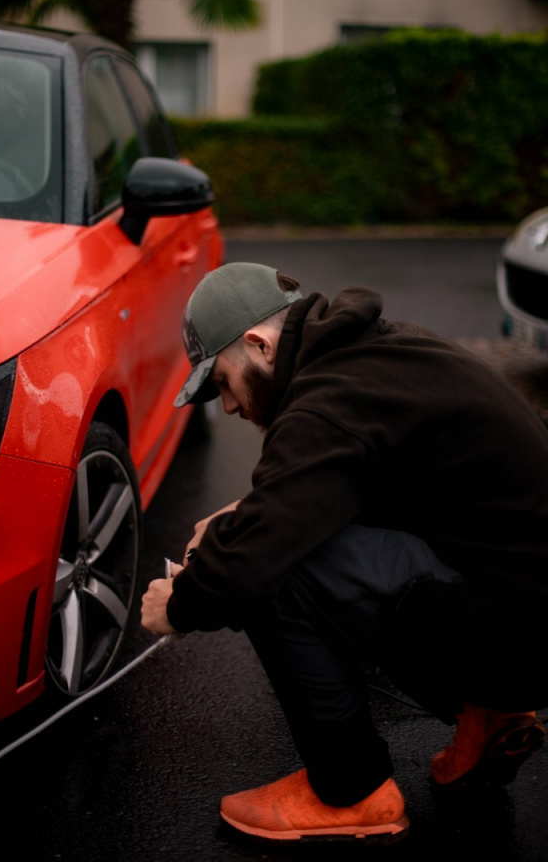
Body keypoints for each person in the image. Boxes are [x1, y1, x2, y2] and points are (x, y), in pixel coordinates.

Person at [141, 262, 548, 844]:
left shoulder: (327, 403)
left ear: (259, 343)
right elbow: (361, 481)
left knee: (280, 571)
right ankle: (489, 714)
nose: (227, 405)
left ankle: (349, 791)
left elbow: (251, 563)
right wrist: (242, 514)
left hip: (519, 639)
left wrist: (178, 605)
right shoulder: (379, 353)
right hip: (523, 606)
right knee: (281, 538)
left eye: (223, 382)